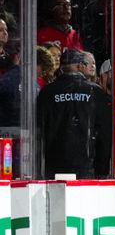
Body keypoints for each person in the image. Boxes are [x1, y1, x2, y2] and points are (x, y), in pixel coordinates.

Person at [36, 48, 104, 179]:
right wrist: (102, 168)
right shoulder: (95, 91)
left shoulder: (47, 92)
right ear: (80, 66)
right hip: (85, 163)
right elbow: (103, 131)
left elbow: (40, 128)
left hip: (54, 162)